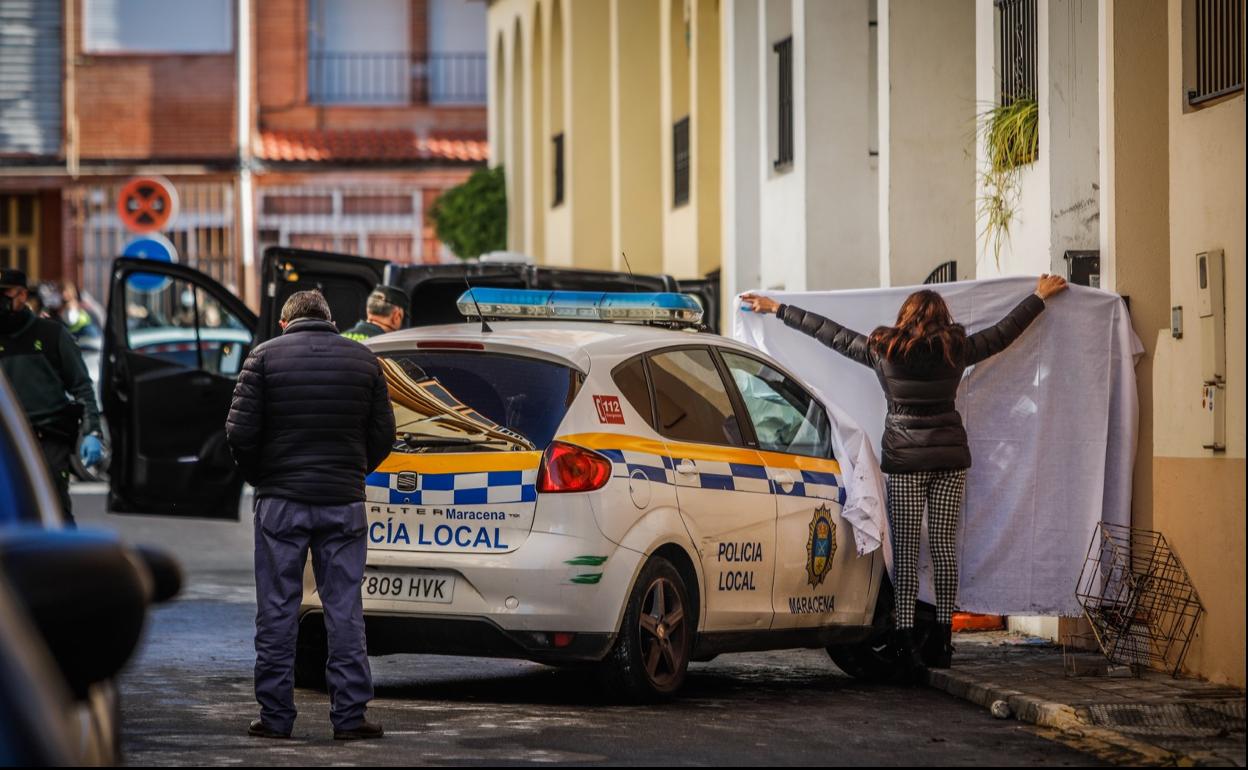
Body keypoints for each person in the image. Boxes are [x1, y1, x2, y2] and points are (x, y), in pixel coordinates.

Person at [740, 274, 1068, 676]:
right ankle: (944, 640)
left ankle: (908, 642)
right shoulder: (955, 350)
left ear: (906, 316)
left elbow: (832, 335)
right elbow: (1003, 334)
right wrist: (1038, 297)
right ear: (941, 317)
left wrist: (778, 310)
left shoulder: (884, 349)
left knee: (907, 553)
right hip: (949, 460)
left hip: (906, 463)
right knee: (945, 550)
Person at [225, 289, 395, 741]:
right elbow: (384, 434)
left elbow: (239, 432)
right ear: (329, 318)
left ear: (285, 323)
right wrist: (353, 471)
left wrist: (263, 476)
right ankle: (350, 717)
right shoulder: (363, 361)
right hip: (344, 503)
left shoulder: (262, 358)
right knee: (344, 609)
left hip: (280, 502)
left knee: (278, 610)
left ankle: (276, 718)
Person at [0, 269, 104, 524]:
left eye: (4, 294)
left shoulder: (51, 335)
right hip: (7, 443)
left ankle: (64, 561)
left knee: (54, 511)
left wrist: (92, 432)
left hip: (47, 438)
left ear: (22, 295)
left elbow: (81, 386)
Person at [340, 285, 409, 341]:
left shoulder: (341, 337)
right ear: (396, 316)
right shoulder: (389, 347)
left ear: (368, 310)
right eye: (402, 318)